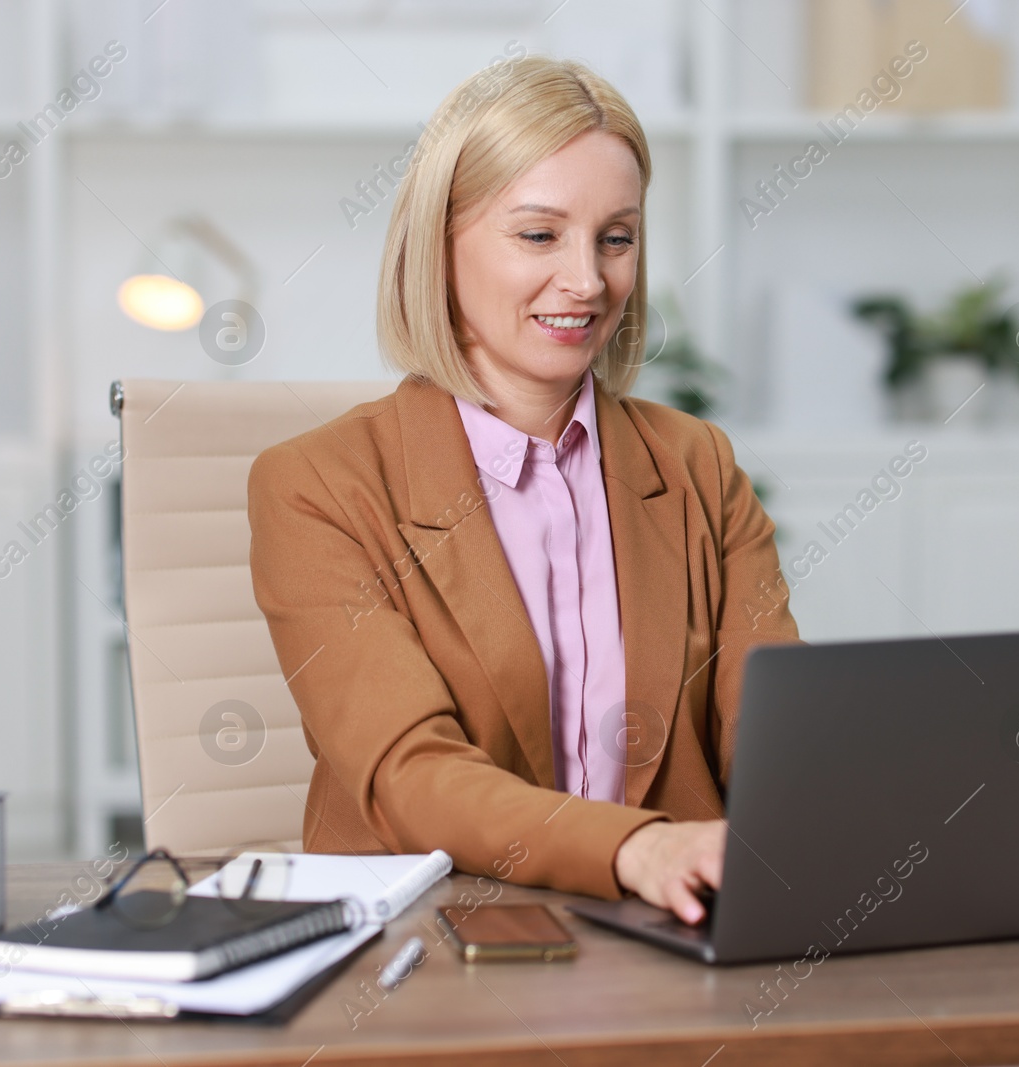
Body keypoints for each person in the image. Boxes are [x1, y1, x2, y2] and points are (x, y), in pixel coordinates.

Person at [247, 55, 799, 924]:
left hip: (672, 940)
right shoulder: (318, 485)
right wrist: (632, 846)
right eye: (539, 235)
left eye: (616, 237)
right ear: (439, 244)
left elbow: (777, 727)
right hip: (431, 954)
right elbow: (410, 772)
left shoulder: (698, 464)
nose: (587, 280)